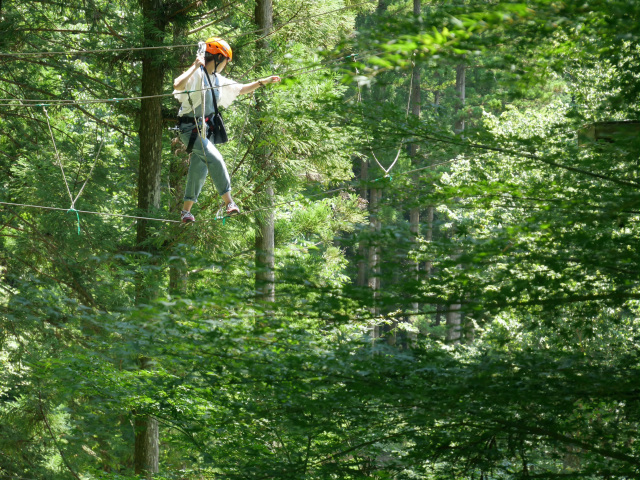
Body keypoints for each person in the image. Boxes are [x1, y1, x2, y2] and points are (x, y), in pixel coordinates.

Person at [172, 37, 280, 223]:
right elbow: (177, 85)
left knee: (199, 168)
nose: (225, 66)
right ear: (217, 58)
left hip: (204, 130)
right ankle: (229, 202)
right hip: (190, 129)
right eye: (224, 61)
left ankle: (186, 211)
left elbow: (240, 89)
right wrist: (194, 66)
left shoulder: (216, 79)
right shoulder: (197, 75)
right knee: (215, 158)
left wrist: (262, 82)